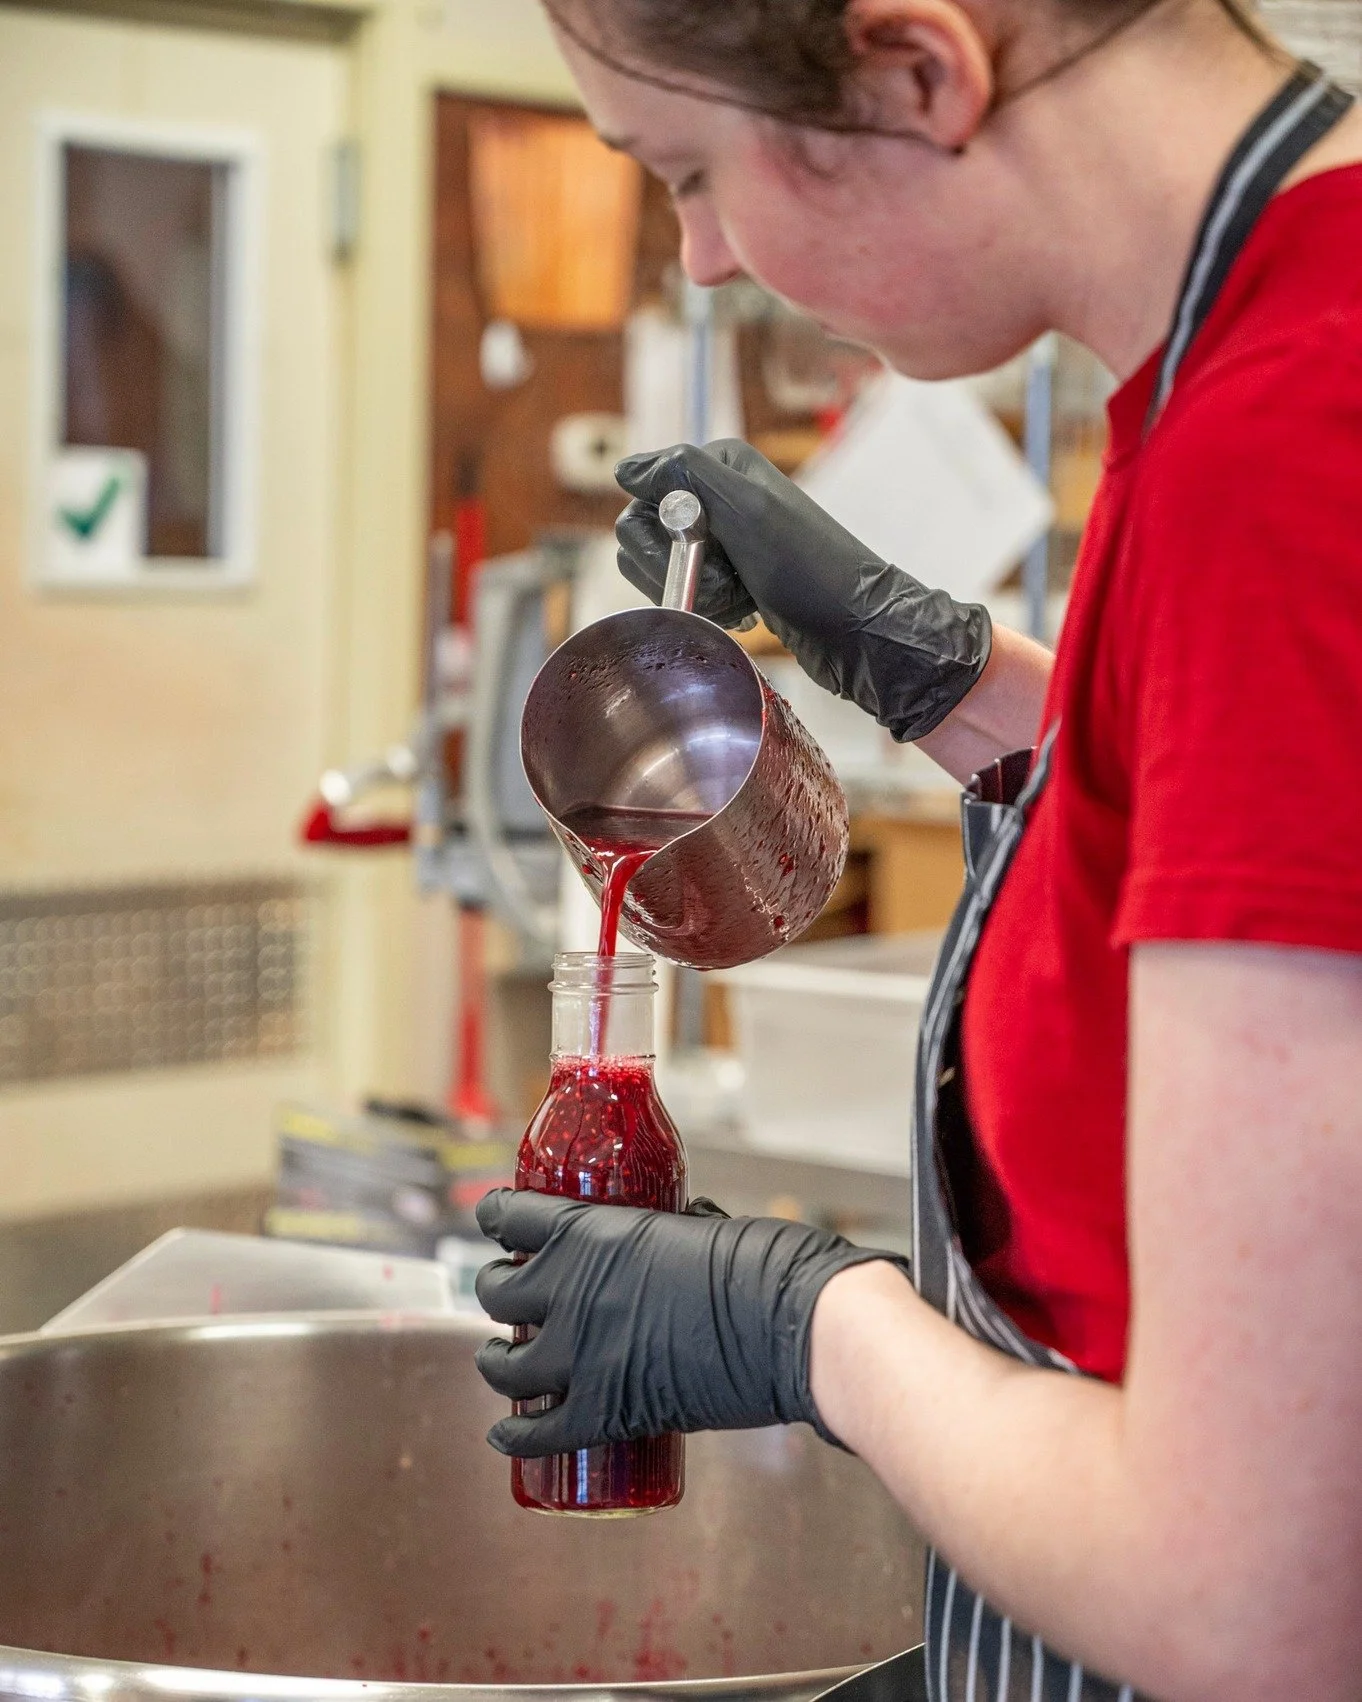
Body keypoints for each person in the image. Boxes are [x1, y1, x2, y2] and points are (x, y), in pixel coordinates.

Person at [474, 1, 1362, 1695]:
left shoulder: (1288, 441)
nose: (704, 256)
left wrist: (808, 1323)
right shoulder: (1253, 348)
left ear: (914, 72)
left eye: (692, 172)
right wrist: (949, 675)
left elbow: (1259, 1597)